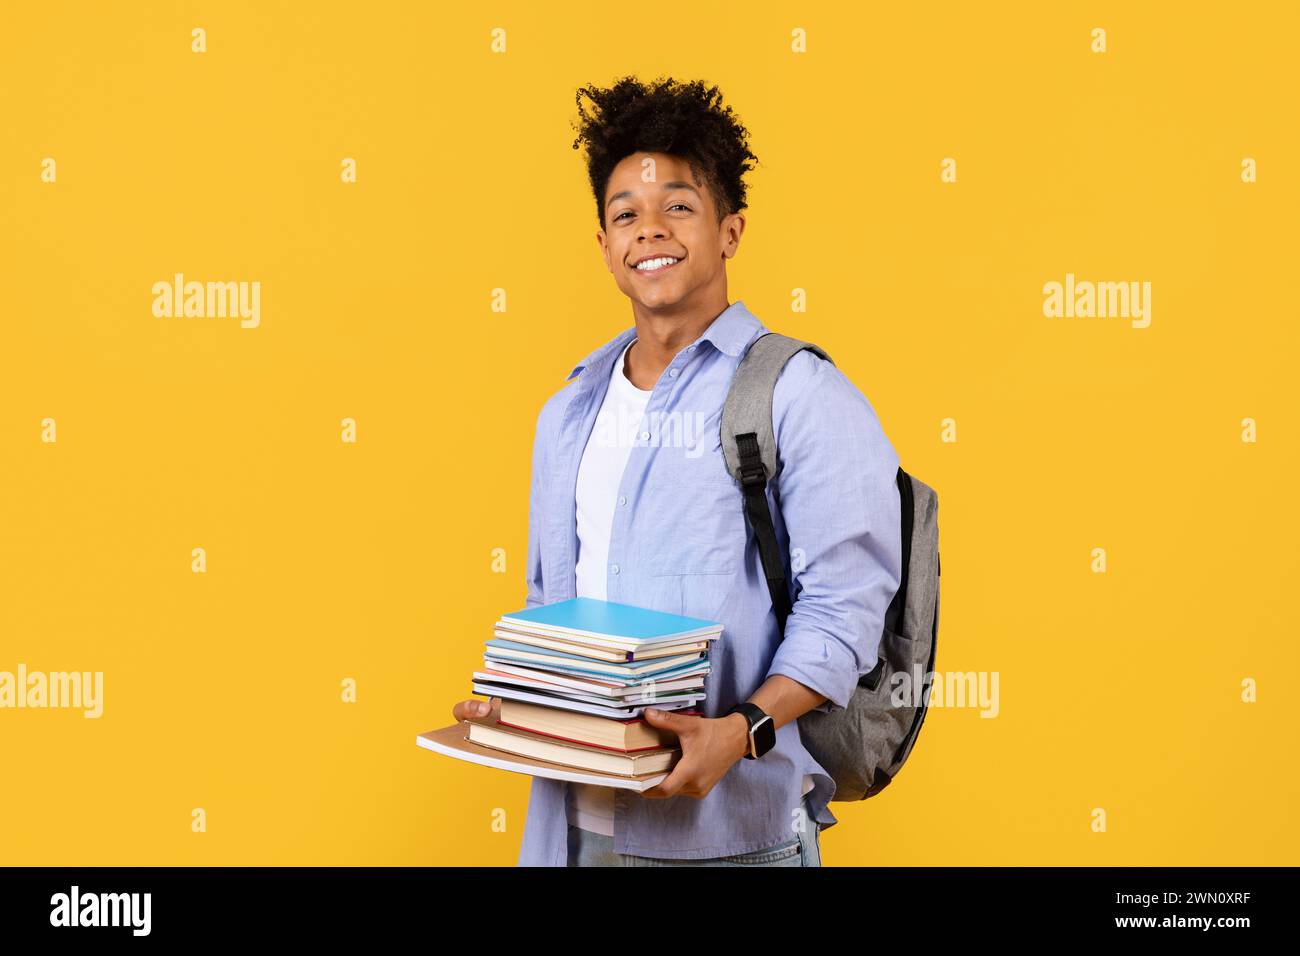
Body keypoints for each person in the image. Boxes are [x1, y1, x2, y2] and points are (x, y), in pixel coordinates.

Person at [451, 75, 902, 866]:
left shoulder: (800, 395)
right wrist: (519, 707)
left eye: (679, 206)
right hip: (572, 834)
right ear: (603, 245)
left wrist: (741, 733)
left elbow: (845, 616)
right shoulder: (567, 415)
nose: (649, 229)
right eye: (625, 213)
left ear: (730, 230)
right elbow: (553, 610)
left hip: (738, 838)